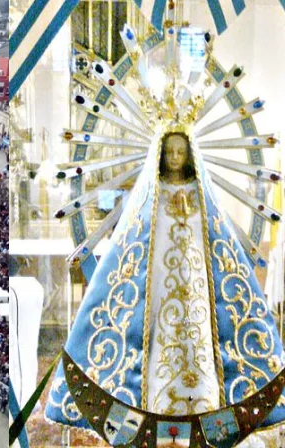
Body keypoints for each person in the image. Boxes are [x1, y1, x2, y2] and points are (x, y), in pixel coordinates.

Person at [45, 130, 285, 430]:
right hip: (157, 283)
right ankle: (151, 405)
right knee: (157, 338)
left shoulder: (201, 193)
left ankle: (205, 405)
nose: (174, 158)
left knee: (197, 340)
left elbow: (214, 235)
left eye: (180, 153)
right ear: (160, 154)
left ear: (189, 156)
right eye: (169, 152)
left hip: (196, 282)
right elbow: (138, 238)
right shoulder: (152, 192)